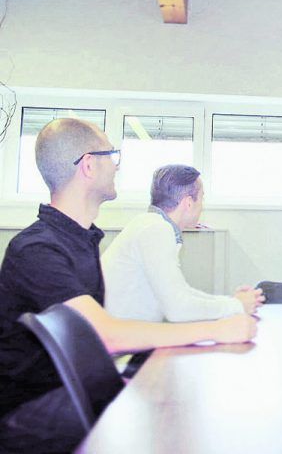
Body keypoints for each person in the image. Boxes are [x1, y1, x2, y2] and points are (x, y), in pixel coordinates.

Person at [0, 119, 257, 452]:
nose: (117, 165)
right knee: (174, 419)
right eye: (112, 155)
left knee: (177, 400)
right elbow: (104, 337)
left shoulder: (80, 240)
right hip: (28, 411)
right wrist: (218, 329)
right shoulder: (37, 249)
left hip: (72, 389)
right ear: (89, 165)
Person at [103, 164, 264, 322]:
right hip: (127, 337)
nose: (202, 206)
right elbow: (178, 309)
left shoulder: (149, 224)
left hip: (132, 332)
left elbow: (181, 293)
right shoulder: (156, 230)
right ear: (188, 203)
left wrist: (232, 302)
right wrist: (236, 306)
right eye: (202, 198)